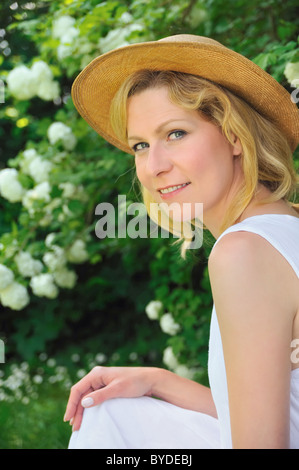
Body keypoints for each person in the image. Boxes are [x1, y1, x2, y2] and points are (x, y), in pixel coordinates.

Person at [64, 34, 299, 449]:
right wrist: (157, 380)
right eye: (140, 145)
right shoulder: (284, 227)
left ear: (234, 136)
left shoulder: (243, 252)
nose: (153, 166)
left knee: (105, 425)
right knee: (112, 409)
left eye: (175, 133)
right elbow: (267, 414)